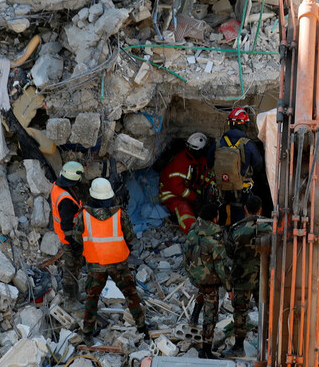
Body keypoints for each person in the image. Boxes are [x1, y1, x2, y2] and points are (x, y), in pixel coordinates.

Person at [80, 178, 150, 339]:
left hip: (96, 264)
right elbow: (130, 236)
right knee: (131, 294)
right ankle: (142, 329)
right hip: (118, 262)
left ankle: (87, 333)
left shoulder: (84, 215)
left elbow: (78, 237)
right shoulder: (120, 214)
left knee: (92, 297)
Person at [225, 195, 270, 356]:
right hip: (265, 277)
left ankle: (238, 347)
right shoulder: (270, 228)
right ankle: (270, 346)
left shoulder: (237, 229)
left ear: (245, 209)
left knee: (240, 311)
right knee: (267, 310)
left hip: (242, 277)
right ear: (260, 209)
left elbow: (229, 253)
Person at [185, 203, 231, 359]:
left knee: (201, 291)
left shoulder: (192, 233)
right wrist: (229, 288)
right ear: (214, 218)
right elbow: (221, 268)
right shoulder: (214, 240)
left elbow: (186, 256)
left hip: (195, 277)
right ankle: (205, 350)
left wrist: (193, 274)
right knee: (210, 316)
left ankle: (194, 316)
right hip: (209, 282)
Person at [213, 107, 265, 224]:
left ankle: (223, 238)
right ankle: (238, 238)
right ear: (245, 125)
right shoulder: (248, 145)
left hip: (222, 189)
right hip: (242, 191)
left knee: (223, 216)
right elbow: (258, 166)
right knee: (240, 220)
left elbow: (209, 162)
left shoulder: (218, 142)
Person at [159, 133, 211, 234]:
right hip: (172, 195)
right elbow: (176, 188)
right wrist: (195, 198)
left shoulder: (199, 160)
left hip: (189, 193)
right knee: (183, 208)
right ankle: (193, 232)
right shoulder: (181, 162)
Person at [50, 161, 85, 296]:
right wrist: (73, 243)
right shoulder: (67, 201)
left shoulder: (56, 186)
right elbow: (66, 225)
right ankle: (70, 298)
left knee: (72, 265)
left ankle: (73, 291)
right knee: (71, 266)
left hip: (64, 233)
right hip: (68, 237)